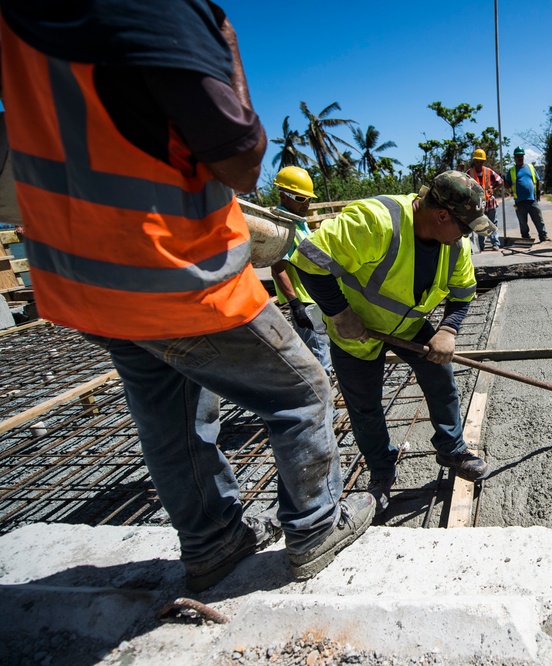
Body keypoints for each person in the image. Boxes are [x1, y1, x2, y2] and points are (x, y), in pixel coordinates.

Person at [0, 0, 374, 590]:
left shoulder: (24, 21)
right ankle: (316, 525)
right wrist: (224, 41)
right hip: (173, 269)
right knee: (301, 391)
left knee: (173, 414)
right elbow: (239, 157)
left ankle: (212, 541)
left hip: (81, 278)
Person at [291, 171, 495, 515]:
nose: (466, 235)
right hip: (354, 331)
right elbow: (310, 259)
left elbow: (463, 292)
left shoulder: (454, 246)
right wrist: (339, 314)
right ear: (442, 215)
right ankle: (382, 471)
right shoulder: (376, 221)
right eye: (464, 225)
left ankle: (451, 447)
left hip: (407, 325)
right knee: (365, 406)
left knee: (440, 377)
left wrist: (448, 330)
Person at [270, 166, 332, 374]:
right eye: (299, 198)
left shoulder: (299, 222)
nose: (306, 204)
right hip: (305, 302)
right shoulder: (283, 226)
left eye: (308, 199)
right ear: (283, 196)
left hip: (315, 297)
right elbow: (278, 268)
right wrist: (296, 305)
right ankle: (324, 402)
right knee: (319, 355)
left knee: (324, 348)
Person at [504, 147, 549, 242]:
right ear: (514, 158)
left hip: (532, 199)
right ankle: (525, 238)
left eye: (521, 156)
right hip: (519, 201)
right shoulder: (512, 171)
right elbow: (507, 186)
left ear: (523, 156)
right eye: (518, 156)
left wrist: (538, 193)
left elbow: (537, 180)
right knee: (523, 222)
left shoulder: (531, 168)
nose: (520, 158)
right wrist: (503, 180)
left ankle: (543, 236)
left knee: (538, 219)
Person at [466, 148, 504, 251]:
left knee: (492, 223)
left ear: (483, 161)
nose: (478, 163)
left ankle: (495, 243)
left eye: (480, 161)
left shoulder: (488, 171)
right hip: (478, 203)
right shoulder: (469, 172)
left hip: (490, 202)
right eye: (477, 161)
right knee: (480, 224)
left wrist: (493, 187)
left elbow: (500, 180)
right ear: (474, 161)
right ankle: (481, 245)